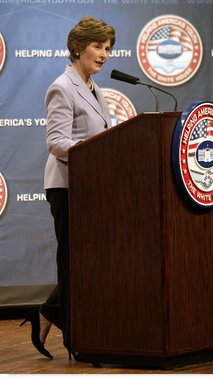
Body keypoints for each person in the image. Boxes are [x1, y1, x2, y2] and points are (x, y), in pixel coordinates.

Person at [20, 16, 116, 360]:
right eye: (97, 46)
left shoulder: (94, 88)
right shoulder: (62, 86)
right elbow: (56, 142)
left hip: (91, 187)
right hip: (67, 187)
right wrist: (92, 152)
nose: (104, 54)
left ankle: (47, 313)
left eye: (107, 48)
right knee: (74, 262)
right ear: (77, 47)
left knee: (87, 261)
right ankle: (77, 339)